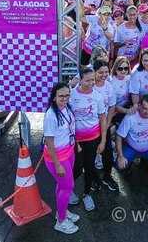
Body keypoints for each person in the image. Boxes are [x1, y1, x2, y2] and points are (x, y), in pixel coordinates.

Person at [42, 82, 81, 235]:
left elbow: (70, 129)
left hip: (69, 152)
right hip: (57, 158)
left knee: (62, 184)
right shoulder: (51, 116)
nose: (64, 99)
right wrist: (57, 164)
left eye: (67, 95)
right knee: (68, 186)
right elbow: (48, 141)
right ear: (54, 98)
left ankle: (62, 211)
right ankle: (61, 221)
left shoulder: (67, 108)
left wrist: (76, 144)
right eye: (61, 96)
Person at [70, 66, 107, 212]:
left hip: (93, 138)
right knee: (77, 168)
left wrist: (103, 141)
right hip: (76, 140)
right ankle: (68, 189)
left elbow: (102, 119)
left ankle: (87, 194)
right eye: (87, 80)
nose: (90, 83)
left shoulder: (98, 96)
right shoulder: (71, 95)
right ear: (80, 80)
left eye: (92, 80)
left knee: (90, 167)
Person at [116, 93, 148, 173]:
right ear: (139, 106)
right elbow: (119, 136)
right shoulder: (131, 116)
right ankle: (128, 168)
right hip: (132, 148)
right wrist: (120, 156)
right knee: (120, 165)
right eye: (145, 108)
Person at [92, 60, 119, 192]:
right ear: (94, 72)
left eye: (106, 72)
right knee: (91, 153)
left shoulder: (109, 86)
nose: (104, 75)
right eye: (100, 72)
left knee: (107, 153)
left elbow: (112, 106)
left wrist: (107, 124)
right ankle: (92, 178)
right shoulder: (89, 85)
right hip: (90, 128)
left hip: (105, 125)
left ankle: (107, 176)